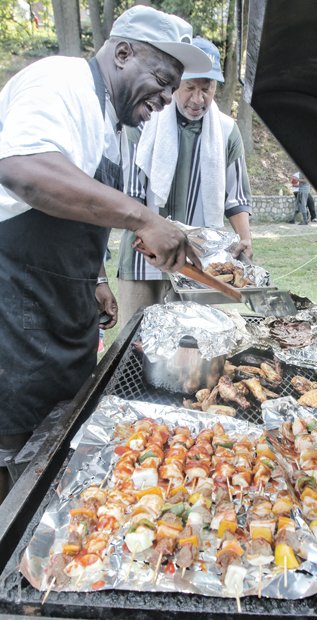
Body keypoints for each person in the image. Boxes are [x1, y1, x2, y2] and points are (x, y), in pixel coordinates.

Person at [0, 5, 211, 502]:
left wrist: (94, 276)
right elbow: (25, 170)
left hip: (63, 309)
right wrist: (142, 217)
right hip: (13, 311)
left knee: (50, 442)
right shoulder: (60, 81)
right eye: (162, 81)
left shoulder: (115, 126)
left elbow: (77, 206)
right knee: (11, 444)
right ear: (122, 53)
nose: (165, 99)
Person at [117, 37, 253, 327]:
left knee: (200, 343)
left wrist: (246, 238)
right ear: (176, 82)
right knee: (138, 340)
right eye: (190, 87)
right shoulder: (144, 122)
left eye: (207, 88)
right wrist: (151, 238)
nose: (198, 98)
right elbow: (132, 197)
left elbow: (236, 198)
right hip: (145, 258)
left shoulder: (227, 131)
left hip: (200, 261)